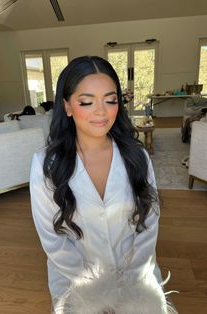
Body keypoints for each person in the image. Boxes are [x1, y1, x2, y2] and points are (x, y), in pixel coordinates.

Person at [30, 56, 178, 314]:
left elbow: (149, 223)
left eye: (110, 100)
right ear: (67, 106)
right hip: (76, 281)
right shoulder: (46, 164)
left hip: (137, 275)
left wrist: (131, 281)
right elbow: (53, 241)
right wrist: (99, 293)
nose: (101, 111)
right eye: (86, 102)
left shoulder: (136, 156)